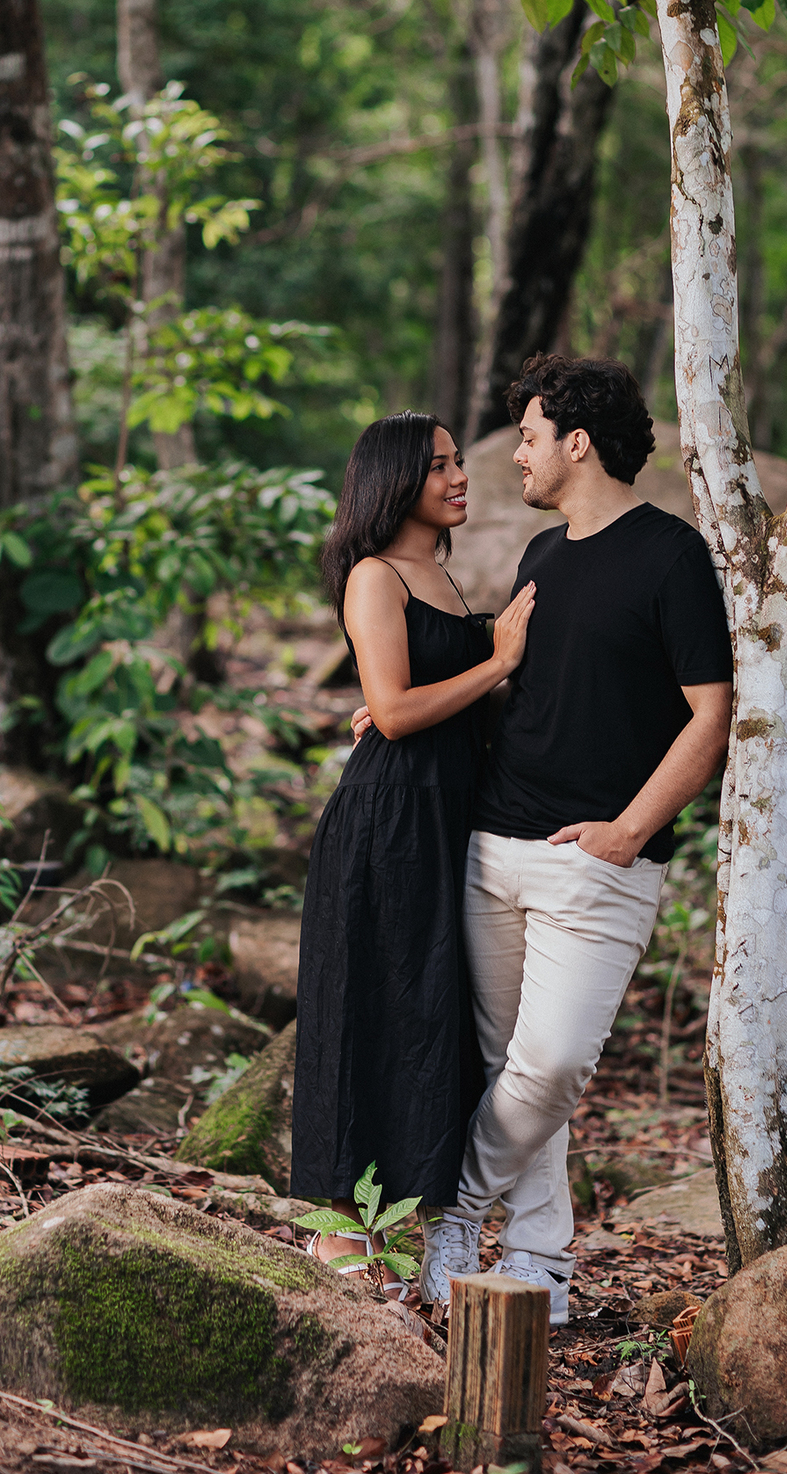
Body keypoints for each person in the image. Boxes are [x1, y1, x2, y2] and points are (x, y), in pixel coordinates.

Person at [415, 355, 734, 1322]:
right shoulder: (542, 555)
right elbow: (524, 693)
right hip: (493, 847)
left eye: (529, 437)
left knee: (552, 1065)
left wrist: (631, 831)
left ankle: (452, 1214)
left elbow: (711, 714)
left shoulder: (672, 556)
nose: (516, 455)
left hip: (598, 862)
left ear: (578, 443)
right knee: (515, 1072)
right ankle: (541, 1265)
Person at [290, 410, 536, 1290]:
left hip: (444, 817)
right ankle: (338, 1233)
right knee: (366, 1009)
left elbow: (413, 697)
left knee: (427, 1014)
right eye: (440, 466)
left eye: (459, 461)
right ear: (394, 480)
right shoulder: (375, 576)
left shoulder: (441, 575)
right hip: (387, 823)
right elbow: (394, 714)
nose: (460, 477)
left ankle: (408, 1218)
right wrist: (495, 662)